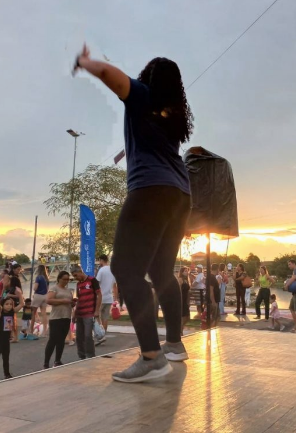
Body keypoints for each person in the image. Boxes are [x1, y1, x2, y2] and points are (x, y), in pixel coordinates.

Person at [74, 46, 193, 382]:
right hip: (180, 195)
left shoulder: (143, 96)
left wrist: (86, 62)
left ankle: (152, 356)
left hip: (150, 190)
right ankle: (174, 344)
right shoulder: (173, 115)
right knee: (161, 271)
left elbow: (113, 77)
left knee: (126, 270)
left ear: (148, 78)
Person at [0, 296, 23, 382]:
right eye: (7, 304)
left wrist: (20, 294)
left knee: (6, 358)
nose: (9, 306)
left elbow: (21, 304)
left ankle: (7, 374)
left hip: (6, 340)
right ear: (2, 305)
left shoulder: (12, 312)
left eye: (11, 304)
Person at [71, 265, 102, 359]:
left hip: (89, 312)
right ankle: (81, 355)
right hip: (80, 312)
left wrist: (97, 310)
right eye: (74, 276)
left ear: (81, 271)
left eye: (76, 275)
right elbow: (79, 299)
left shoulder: (92, 280)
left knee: (88, 335)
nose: (76, 278)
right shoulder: (78, 284)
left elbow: (99, 295)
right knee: (79, 337)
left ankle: (90, 355)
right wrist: (74, 313)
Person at [44, 271, 74, 368]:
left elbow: (70, 303)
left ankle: (57, 360)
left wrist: (72, 302)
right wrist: (63, 301)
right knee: (53, 340)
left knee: (61, 340)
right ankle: (46, 362)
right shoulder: (54, 289)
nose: (66, 281)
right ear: (59, 279)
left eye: (68, 279)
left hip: (66, 316)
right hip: (56, 317)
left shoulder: (69, 290)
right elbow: (49, 300)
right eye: (64, 279)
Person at [95, 254, 116, 345]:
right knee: (105, 318)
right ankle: (103, 335)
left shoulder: (101, 270)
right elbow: (115, 285)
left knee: (96, 316)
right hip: (109, 297)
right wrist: (116, 298)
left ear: (101, 260)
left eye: (99, 260)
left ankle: (100, 335)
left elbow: (97, 283)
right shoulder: (112, 270)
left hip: (101, 297)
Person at [30, 265, 49, 336]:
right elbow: (47, 289)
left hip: (38, 295)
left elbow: (35, 288)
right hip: (45, 296)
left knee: (33, 313)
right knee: (44, 313)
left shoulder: (38, 278)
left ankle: (31, 330)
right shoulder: (47, 278)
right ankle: (44, 331)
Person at [7, 264, 24, 343]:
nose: (19, 271)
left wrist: (9, 295)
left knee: (12, 320)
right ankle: (11, 336)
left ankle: (15, 337)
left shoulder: (16, 287)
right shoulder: (13, 286)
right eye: (18, 269)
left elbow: (19, 295)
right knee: (10, 320)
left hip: (13, 303)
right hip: (12, 303)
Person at [177, 266, 193, 334]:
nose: (187, 272)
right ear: (182, 272)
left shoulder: (187, 279)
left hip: (186, 299)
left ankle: (180, 328)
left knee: (187, 317)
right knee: (183, 316)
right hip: (181, 299)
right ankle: (180, 331)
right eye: (185, 271)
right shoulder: (180, 279)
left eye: (187, 271)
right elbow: (178, 290)